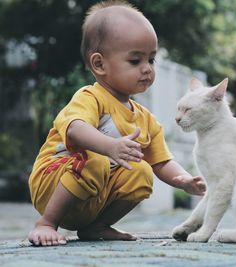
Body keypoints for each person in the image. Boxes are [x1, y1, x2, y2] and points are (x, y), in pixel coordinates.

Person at [27, 0, 206, 246]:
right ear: (99, 64)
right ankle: (46, 223)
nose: (147, 69)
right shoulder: (90, 97)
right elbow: (75, 128)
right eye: (135, 61)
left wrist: (184, 180)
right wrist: (110, 146)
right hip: (52, 184)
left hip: (90, 198)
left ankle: (97, 226)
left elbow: (161, 161)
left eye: (151, 60)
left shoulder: (145, 119)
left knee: (142, 171)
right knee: (97, 157)